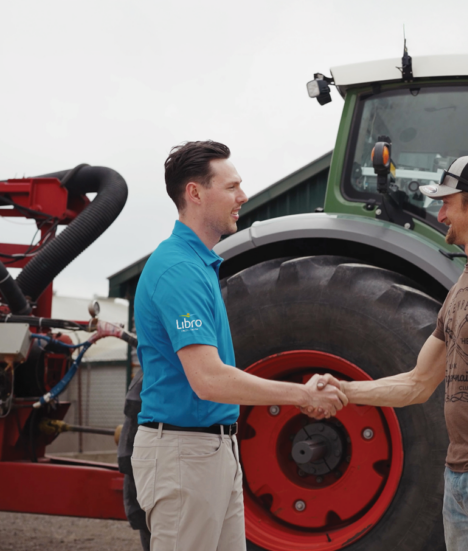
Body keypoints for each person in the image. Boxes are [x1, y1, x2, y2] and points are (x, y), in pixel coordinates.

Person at [307, 155, 468, 550]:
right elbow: (418, 382)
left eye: (447, 202)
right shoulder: (465, 283)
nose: (439, 213)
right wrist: (343, 390)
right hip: (460, 477)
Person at [131, 140, 347, 551]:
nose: (242, 197)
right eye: (231, 187)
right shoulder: (178, 268)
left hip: (210, 449)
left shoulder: (199, 264)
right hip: (184, 454)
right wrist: (300, 394)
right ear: (195, 193)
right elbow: (208, 380)